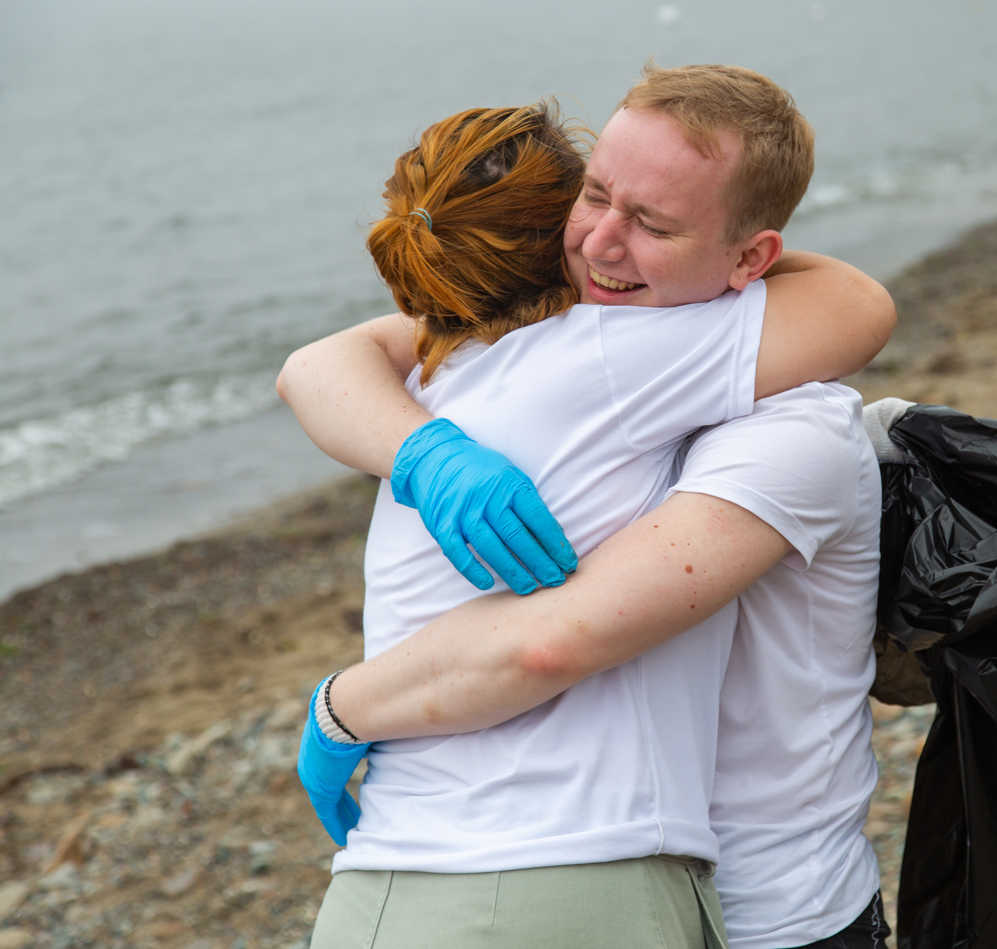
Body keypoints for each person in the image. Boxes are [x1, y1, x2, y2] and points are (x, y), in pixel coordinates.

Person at [278, 65, 894, 948]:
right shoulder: (576, 348)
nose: (602, 244)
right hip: (571, 875)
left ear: (752, 258)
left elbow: (318, 362)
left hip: (405, 881)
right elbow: (319, 361)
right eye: (594, 196)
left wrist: (342, 707)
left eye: (653, 223)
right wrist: (422, 454)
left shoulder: (492, 360)